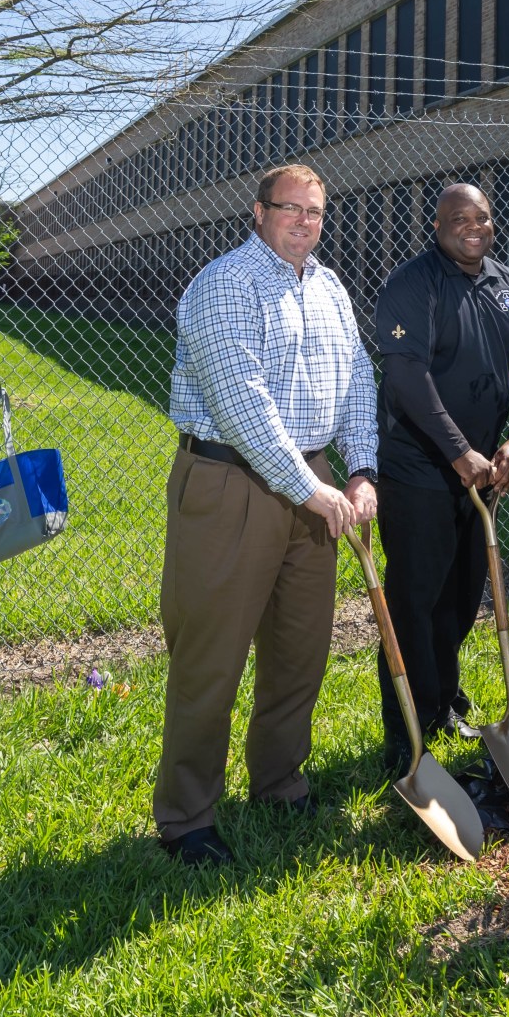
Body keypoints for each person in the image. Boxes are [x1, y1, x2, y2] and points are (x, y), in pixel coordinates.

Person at [156, 163, 379, 866]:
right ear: (258, 212)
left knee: (299, 650)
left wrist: (362, 468)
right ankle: (187, 817)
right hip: (230, 480)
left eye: (315, 211)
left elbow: (359, 379)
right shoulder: (226, 283)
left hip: (313, 483)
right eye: (290, 208)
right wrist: (312, 490)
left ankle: (280, 781)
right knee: (210, 657)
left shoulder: (330, 286)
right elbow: (240, 402)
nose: (304, 222)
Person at [371, 183, 509, 769]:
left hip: (484, 477)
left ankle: (444, 702)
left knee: (462, 596)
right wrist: (458, 451)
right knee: (414, 601)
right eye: (458, 218)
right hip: (419, 469)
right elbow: (406, 376)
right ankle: (407, 730)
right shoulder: (411, 283)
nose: (473, 226)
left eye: (483, 217)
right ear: (437, 224)